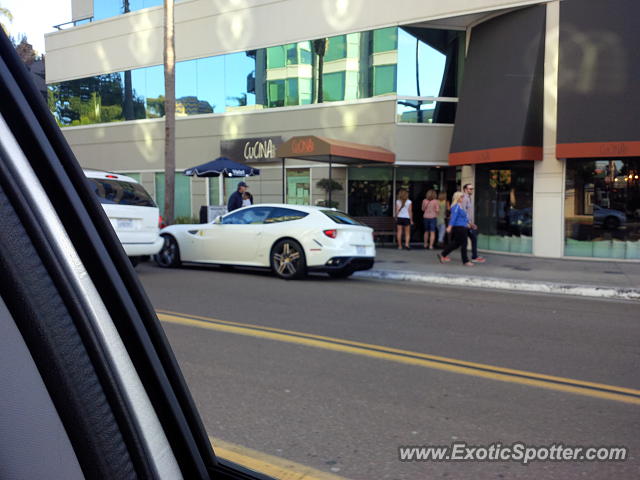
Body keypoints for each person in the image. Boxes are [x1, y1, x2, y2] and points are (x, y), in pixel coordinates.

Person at [438, 191, 474, 266]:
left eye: (463, 196)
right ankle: (465, 261)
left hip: (462, 227)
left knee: (456, 244)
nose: (463, 198)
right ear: (457, 198)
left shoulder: (460, 206)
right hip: (459, 228)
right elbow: (453, 218)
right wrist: (449, 227)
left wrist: (470, 224)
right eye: (461, 197)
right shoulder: (456, 206)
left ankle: (443, 254)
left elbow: (464, 217)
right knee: (464, 244)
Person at [461, 183, 486, 263]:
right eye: (470, 189)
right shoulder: (464, 198)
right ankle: (474, 257)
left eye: (472, 189)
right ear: (465, 189)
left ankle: (474, 256)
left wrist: (472, 223)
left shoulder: (469, 198)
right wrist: (469, 223)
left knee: (473, 239)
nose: (472, 190)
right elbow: (464, 211)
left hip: (468, 223)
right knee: (461, 241)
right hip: (466, 224)